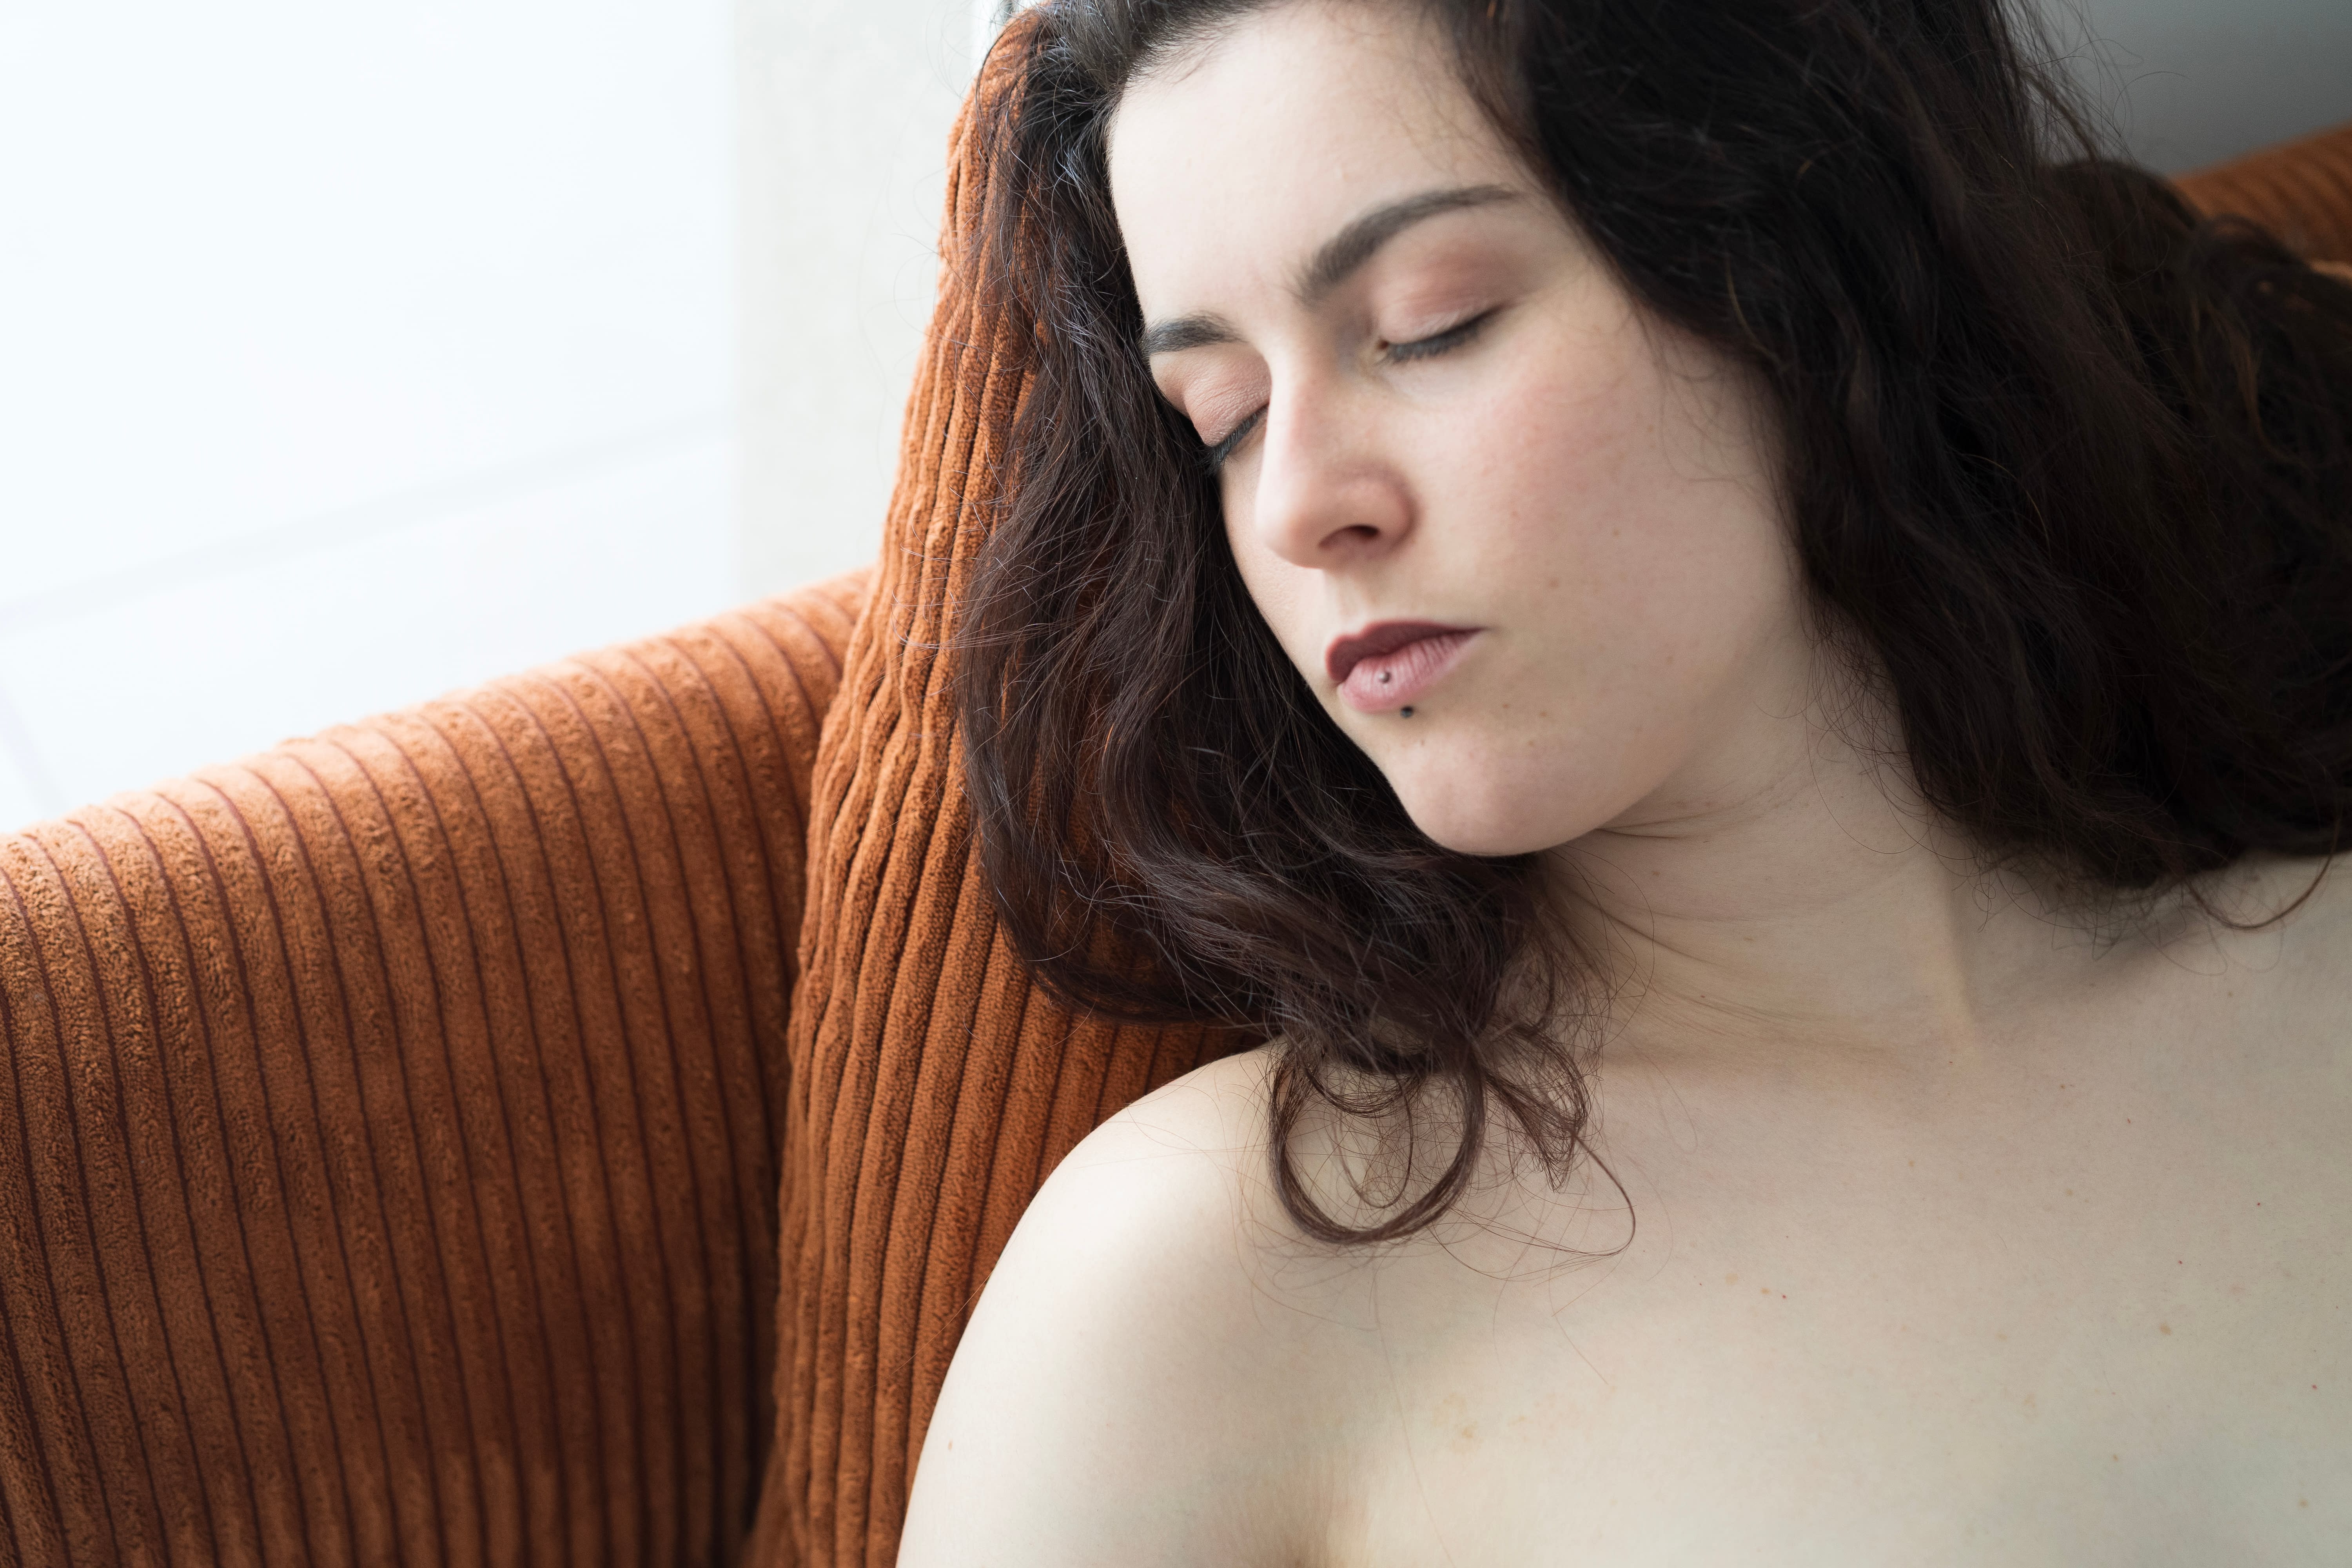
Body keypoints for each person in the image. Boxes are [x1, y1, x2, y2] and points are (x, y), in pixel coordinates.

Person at [899, 0, 2352, 1558]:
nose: (1300, 504)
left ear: (1807, 260)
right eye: (1226, 421)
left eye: (1433, 325)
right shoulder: (1195, 1286)